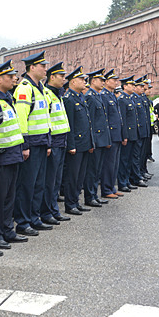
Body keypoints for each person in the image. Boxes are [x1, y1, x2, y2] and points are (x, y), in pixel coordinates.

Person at [0, 61, 29, 249]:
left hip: (12, 154)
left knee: (9, 196)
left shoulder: (7, 97)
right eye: (10, 77)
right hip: (1, 156)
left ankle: (8, 230)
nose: (14, 79)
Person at [12, 51, 53, 234]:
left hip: (42, 141)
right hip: (32, 144)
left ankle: (34, 217)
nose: (45, 69)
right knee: (27, 184)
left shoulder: (41, 88)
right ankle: (23, 222)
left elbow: (45, 117)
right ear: (32, 67)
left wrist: (48, 141)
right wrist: (25, 145)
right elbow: (21, 119)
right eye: (42, 66)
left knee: (38, 183)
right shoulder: (25, 88)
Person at [41, 62, 71, 224]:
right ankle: (46, 211)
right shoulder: (46, 94)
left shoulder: (57, 94)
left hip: (61, 140)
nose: (63, 79)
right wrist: (48, 143)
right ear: (52, 77)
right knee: (49, 180)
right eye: (61, 76)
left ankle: (53, 209)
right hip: (52, 141)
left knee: (56, 180)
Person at [62, 67, 94, 215]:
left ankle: (76, 201)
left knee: (80, 175)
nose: (84, 82)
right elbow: (70, 125)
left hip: (84, 143)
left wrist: (90, 143)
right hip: (76, 143)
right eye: (81, 79)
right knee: (72, 176)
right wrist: (71, 145)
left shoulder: (80, 97)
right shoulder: (69, 99)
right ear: (73, 81)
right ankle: (70, 204)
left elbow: (86, 122)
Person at [83, 69, 111, 207]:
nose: (103, 83)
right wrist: (92, 141)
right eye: (101, 80)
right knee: (92, 170)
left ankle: (94, 194)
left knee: (97, 170)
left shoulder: (98, 96)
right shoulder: (90, 97)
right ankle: (90, 196)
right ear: (93, 81)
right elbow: (91, 122)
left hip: (101, 139)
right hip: (96, 139)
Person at [99, 69, 124, 199]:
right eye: (113, 80)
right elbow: (105, 119)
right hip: (111, 135)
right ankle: (106, 189)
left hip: (117, 135)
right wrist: (107, 137)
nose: (115, 82)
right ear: (106, 81)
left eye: (116, 80)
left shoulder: (112, 95)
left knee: (114, 163)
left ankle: (112, 187)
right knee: (108, 164)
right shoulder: (104, 95)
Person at [117, 76, 138, 193]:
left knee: (129, 159)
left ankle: (127, 180)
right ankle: (122, 182)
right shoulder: (122, 100)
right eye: (131, 85)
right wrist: (124, 135)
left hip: (133, 134)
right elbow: (123, 120)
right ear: (125, 86)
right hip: (127, 135)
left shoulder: (130, 99)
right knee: (124, 160)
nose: (133, 87)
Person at [130, 77, 149, 187]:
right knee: (136, 156)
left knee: (141, 155)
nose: (143, 88)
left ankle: (139, 173)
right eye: (140, 86)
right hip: (137, 131)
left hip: (143, 131)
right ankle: (136, 176)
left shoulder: (141, 98)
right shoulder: (133, 98)